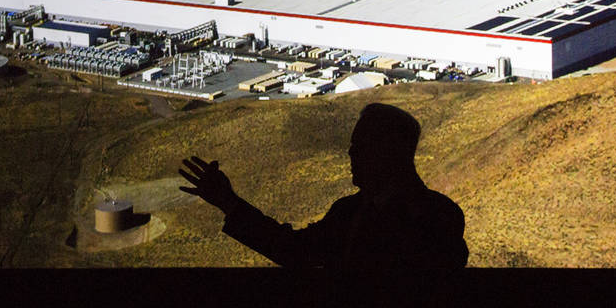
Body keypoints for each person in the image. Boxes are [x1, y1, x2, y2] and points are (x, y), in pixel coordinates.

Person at [179, 102, 468, 268]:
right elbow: (295, 250)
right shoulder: (351, 212)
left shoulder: (436, 218)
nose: (351, 154)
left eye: (361, 146)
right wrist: (228, 203)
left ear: (388, 152)